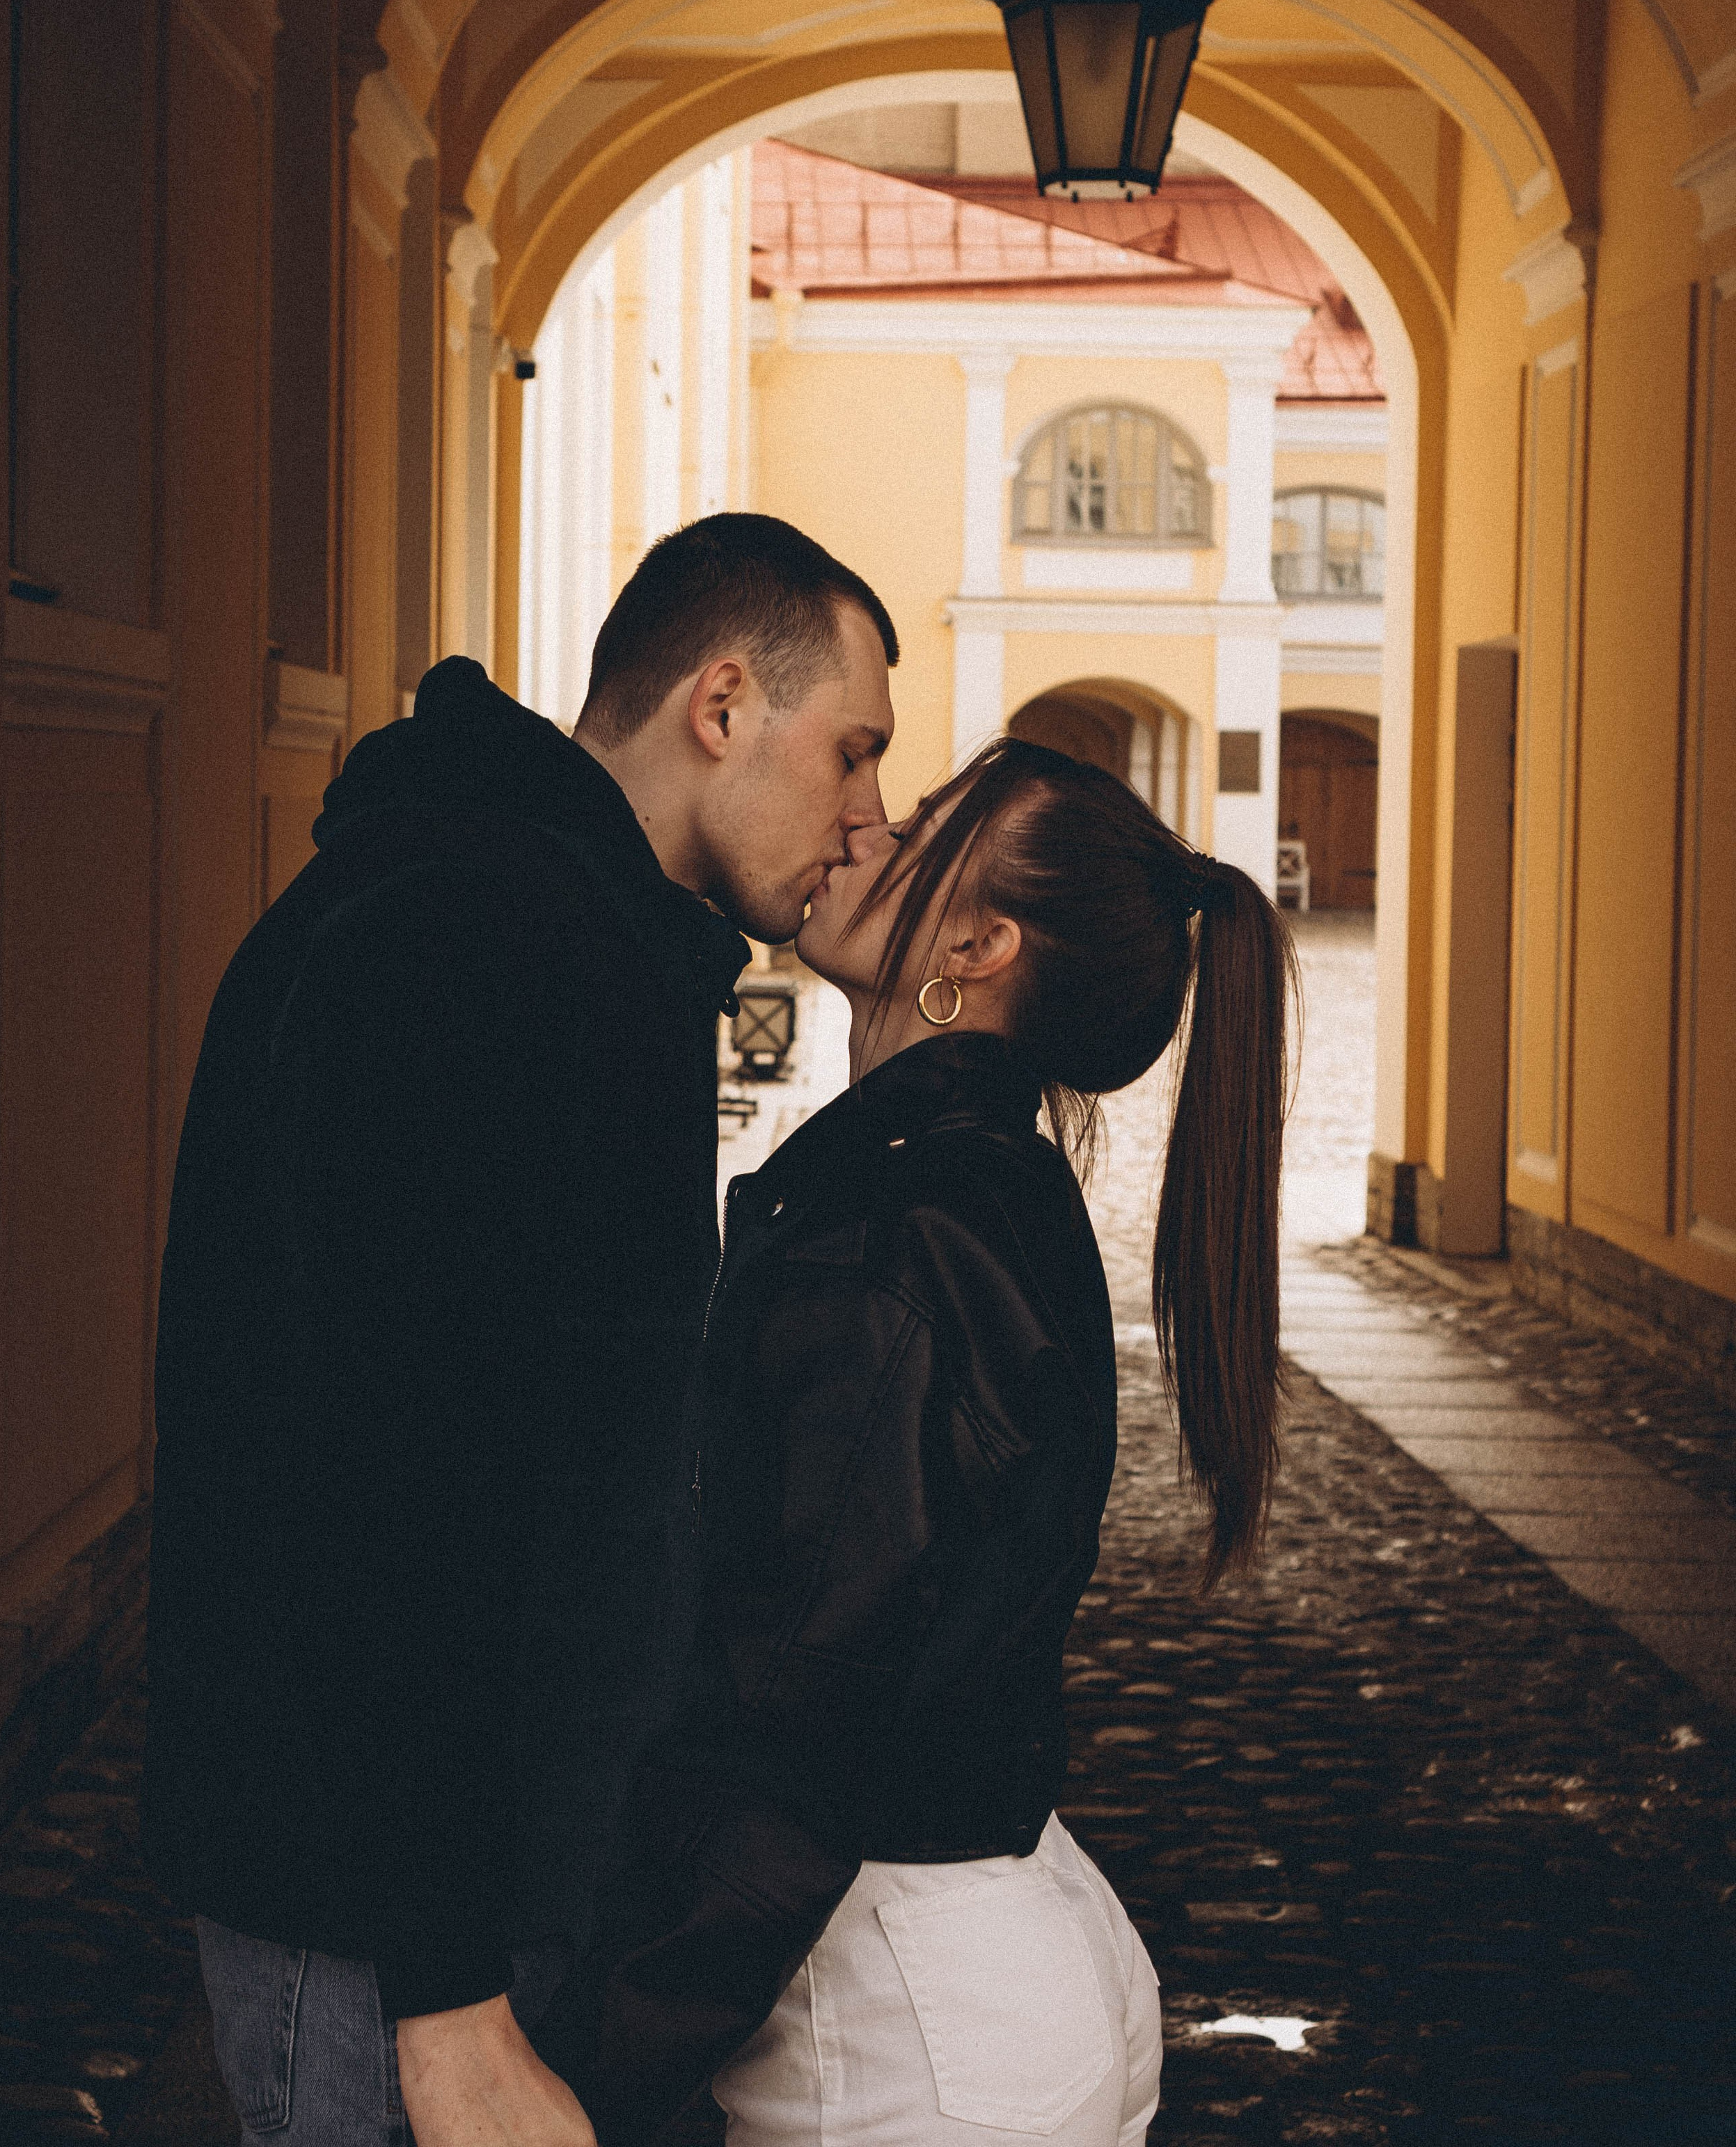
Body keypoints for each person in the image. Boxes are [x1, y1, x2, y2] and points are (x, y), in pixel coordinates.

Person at [143, 514, 899, 2147]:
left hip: (471, 1886)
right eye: (852, 752)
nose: (870, 816)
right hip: (382, 1920)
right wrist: (446, 1996)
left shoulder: (567, 938)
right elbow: (388, 1493)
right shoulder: (470, 950)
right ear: (718, 705)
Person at [542, 735, 1295, 2146]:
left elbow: (794, 1710)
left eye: (924, 823)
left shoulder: (900, 1228)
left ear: (980, 939)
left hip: (910, 2034)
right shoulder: (969, 1188)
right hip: (978, 1969)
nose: (868, 825)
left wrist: (581, 2060)